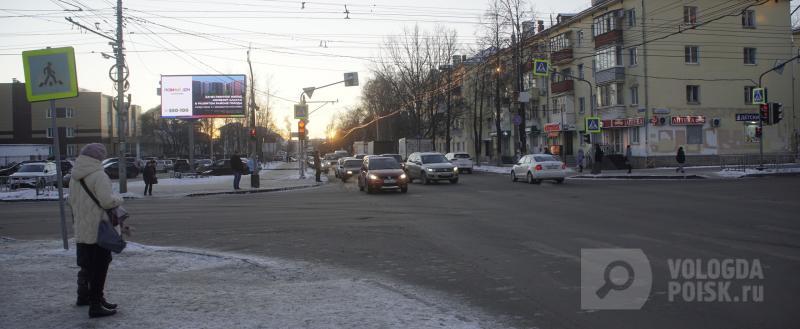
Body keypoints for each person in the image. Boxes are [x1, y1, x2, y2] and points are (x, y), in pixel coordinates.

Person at [68, 143, 123, 318]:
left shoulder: (74, 176)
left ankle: (86, 297)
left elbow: (71, 201)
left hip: (82, 228)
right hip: (99, 229)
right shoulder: (99, 175)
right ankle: (96, 304)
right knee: (100, 267)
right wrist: (118, 199)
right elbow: (107, 202)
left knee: (87, 266)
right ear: (98, 158)